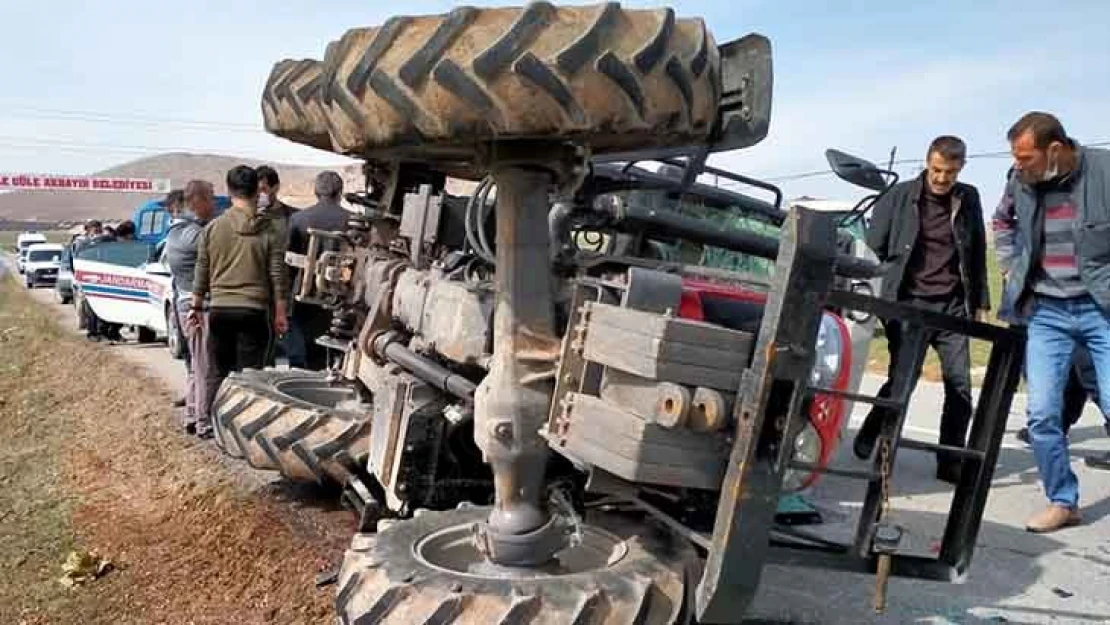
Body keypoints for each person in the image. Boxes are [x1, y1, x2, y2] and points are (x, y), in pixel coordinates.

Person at [992, 112, 1110, 533]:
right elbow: (1002, 222)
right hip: (1047, 313)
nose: (1020, 166)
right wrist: (1010, 267)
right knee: (1042, 414)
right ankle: (1063, 501)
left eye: (1027, 158)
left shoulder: (1104, 172)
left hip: (1101, 310)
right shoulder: (1019, 180)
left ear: (1055, 150)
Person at [853, 136, 991, 485]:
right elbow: (874, 252)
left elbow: (975, 252)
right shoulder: (898, 197)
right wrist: (877, 303)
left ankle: (950, 460)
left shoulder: (969, 198)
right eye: (937, 170)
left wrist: (981, 303)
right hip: (908, 306)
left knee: (959, 387)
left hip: (952, 307)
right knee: (902, 382)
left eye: (950, 172)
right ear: (927, 163)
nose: (942, 178)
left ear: (961, 169)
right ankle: (877, 437)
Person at [190, 166, 288, 404]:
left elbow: (202, 269)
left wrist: (195, 306)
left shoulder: (212, 228)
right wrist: (281, 313)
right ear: (257, 190)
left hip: (220, 311)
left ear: (229, 190)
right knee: (252, 377)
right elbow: (278, 274)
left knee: (217, 373)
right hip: (254, 311)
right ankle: (246, 429)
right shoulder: (270, 229)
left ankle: (214, 427)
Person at [164, 180, 218, 436]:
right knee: (206, 367)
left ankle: (192, 414)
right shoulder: (194, 235)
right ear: (197, 200)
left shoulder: (177, 232)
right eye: (211, 198)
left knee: (198, 365)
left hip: (186, 304)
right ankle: (203, 421)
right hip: (199, 308)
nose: (215, 203)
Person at [286, 171, 350, 370]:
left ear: (315, 191)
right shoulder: (351, 220)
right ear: (340, 192)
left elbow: (288, 263)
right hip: (339, 300)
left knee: (306, 354)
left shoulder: (298, 219)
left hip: (306, 299)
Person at [256, 165, 297, 366]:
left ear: (276, 187)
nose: (260, 195)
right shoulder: (248, 220)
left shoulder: (292, 218)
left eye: (263, 190)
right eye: (256, 191)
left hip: (285, 294)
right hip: (257, 295)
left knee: (290, 352)